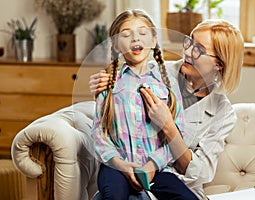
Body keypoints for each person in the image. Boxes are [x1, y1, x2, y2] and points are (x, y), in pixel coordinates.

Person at [89, 18, 244, 199]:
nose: (187, 51)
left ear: (219, 64)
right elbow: (116, 114)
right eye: (189, 42)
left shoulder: (223, 112)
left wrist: (169, 127)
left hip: (173, 181)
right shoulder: (153, 72)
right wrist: (101, 89)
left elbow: (201, 173)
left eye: (199, 49)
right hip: (131, 168)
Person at [90, 9, 198, 200]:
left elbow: (177, 133)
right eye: (125, 34)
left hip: (157, 169)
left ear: (154, 39)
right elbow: (99, 134)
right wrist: (120, 165)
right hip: (116, 167)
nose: (134, 39)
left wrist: (152, 164)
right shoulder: (108, 82)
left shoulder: (169, 83)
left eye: (142, 33)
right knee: (114, 196)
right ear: (115, 45)